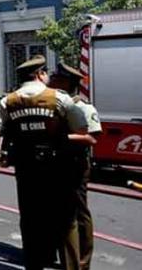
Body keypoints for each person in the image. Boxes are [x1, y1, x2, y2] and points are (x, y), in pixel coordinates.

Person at [0, 55, 86, 270]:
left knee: (30, 217)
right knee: (65, 218)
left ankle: (35, 264)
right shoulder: (59, 98)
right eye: (45, 73)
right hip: (57, 167)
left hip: (26, 168)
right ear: (39, 74)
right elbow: (81, 128)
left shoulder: (9, 101)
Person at [48, 62, 100, 270]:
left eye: (54, 78)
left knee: (78, 213)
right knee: (59, 212)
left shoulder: (82, 107)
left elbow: (91, 138)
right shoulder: (57, 104)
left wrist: (61, 137)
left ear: (64, 82)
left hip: (76, 165)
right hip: (57, 163)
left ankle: (82, 261)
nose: (50, 81)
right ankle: (65, 255)